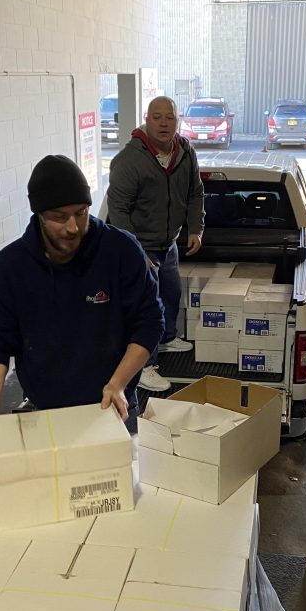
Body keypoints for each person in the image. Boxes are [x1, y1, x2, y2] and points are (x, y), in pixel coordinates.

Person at [0, 154, 164, 452]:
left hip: (114, 405)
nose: (73, 227)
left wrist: (118, 383)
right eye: (59, 217)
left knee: (118, 495)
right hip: (48, 412)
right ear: (39, 214)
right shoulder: (8, 269)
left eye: (81, 213)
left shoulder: (120, 251)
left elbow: (149, 323)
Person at [107, 96, 204, 392]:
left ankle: (167, 338)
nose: (164, 123)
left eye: (170, 117)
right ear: (146, 119)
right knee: (146, 310)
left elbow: (195, 193)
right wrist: (135, 252)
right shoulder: (129, 160)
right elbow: (117, 210)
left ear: (178, 120)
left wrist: (196, 229)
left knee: (171, 294)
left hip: (169, 244)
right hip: (142, 247)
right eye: (157, 117)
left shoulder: (185, 153)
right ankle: (145, 367)